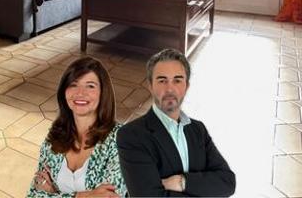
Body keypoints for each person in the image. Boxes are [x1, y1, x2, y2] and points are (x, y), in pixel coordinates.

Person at [117, 48, 235, 197]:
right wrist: (205, 189)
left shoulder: (198, 130)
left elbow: (227, 182)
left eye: (177, 80)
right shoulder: (131, 135)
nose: (170, 89)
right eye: (162, 81)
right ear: (150, 86)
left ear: (187, 86)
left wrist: (182, 182)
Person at [28, 56, 126, 198]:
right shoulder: (55, 136)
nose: (80, 93)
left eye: (90, 86)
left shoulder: (122, 139)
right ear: (64, 91)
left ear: (103, 93)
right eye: (73, 85)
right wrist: (82, 196)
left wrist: (52, 195)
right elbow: (34, 193)